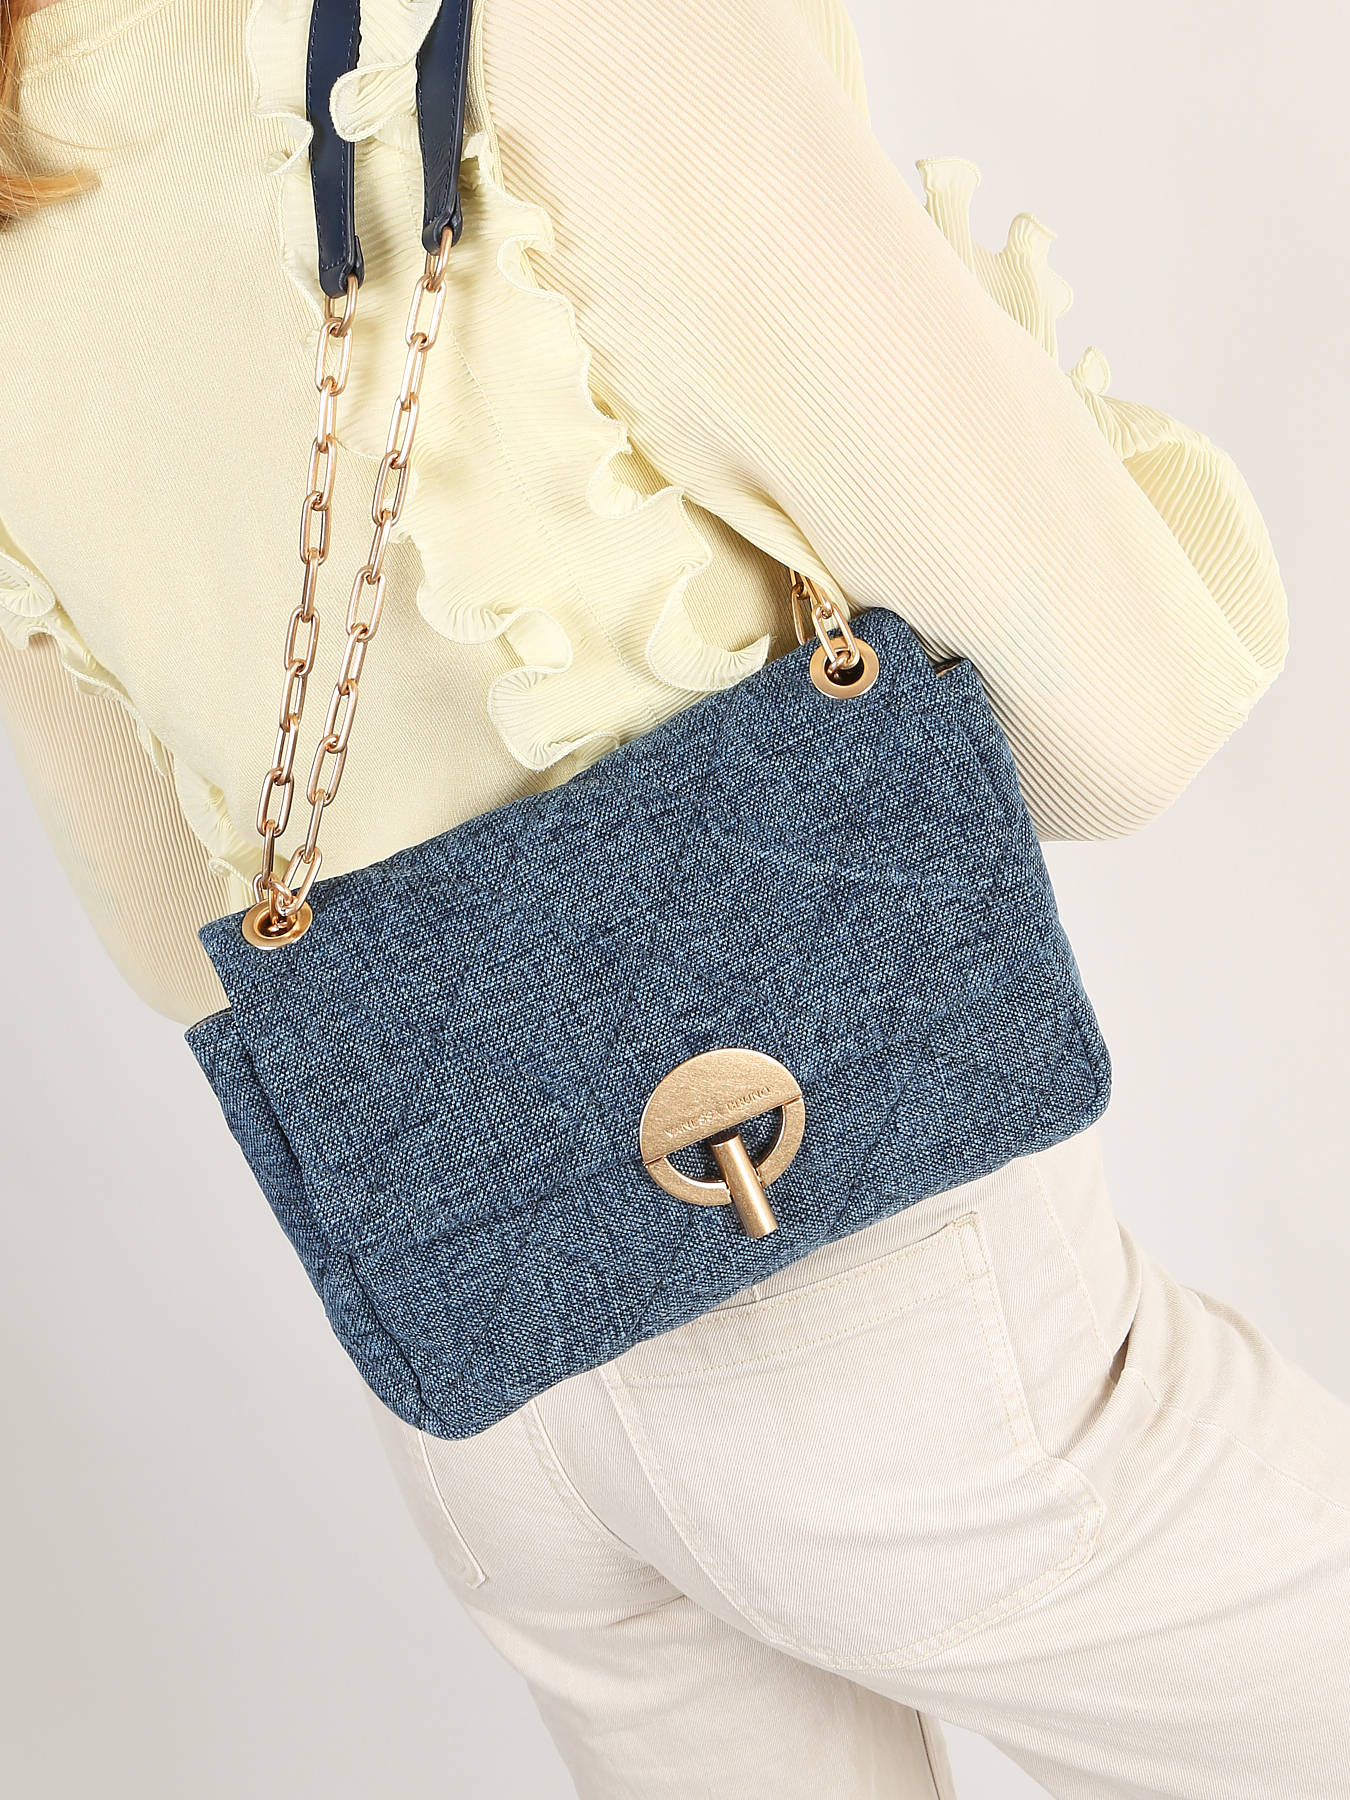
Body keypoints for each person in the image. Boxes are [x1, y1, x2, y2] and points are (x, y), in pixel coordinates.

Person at [1, 0, 1345, 1794]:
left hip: (488, 1352)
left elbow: (176, 934)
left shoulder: (27, 128)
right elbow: (1123, 726)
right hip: (877, 1294)